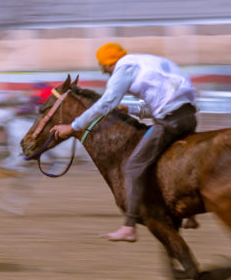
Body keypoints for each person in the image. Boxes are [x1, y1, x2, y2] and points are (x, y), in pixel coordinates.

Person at [50, 43, 198, 242]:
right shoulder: (145, 61)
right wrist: (131, 109)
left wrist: (73, 127)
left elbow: (105, 102)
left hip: (170, 120)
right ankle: (190, 214)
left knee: (134, 165)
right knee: (174, 162)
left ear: (107, 65)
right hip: (188, 116)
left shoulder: (123, 68)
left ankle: (128, 227)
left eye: (104, 70)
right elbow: (160, 102)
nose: (107, 75)